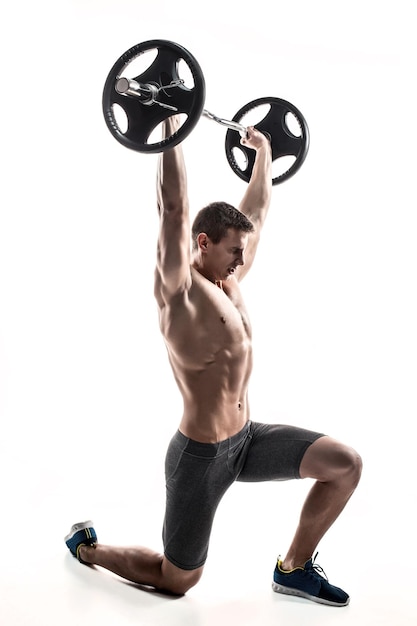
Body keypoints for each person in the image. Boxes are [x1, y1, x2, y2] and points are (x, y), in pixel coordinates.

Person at [65, 116, 362, 606]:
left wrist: (265, 151)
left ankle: (293, 569)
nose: (241, 262)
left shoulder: (231, 282)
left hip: (247, 439)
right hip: (200, 457)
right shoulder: (178, 293)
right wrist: (169, 131)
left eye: (242, 253)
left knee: (345, 465)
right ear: (203, 244)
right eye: (233, 252)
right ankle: (89, 550)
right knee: (178, 579)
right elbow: (174, 209)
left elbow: (258, 211)